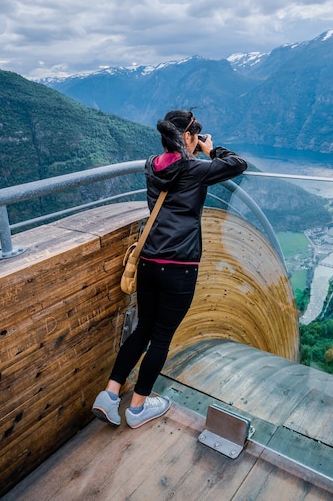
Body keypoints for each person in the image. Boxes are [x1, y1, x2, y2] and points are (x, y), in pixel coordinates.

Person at [92, 109, 247, 428]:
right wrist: (211, 150)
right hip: (180, 268)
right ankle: (137, 409)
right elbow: (237, 164)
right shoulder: (195, 169)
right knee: (161, 338)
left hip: (149, 261)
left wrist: (194, 149)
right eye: (195, 136)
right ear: (188, 137)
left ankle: (109, 395)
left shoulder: (152, 165)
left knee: (143, 329)